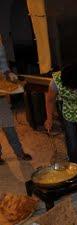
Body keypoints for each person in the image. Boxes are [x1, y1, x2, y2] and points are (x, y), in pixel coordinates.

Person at [45, 63, 77, 175]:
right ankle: (76, 164)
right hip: (66, 107)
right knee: (71, 138)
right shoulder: (55, 82)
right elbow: (50, 100)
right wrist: (49, 119)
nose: (74, 91)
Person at [0, 34, 32, 164]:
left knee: (8, 123)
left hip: (0, 88)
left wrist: (8, 72)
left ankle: (19, 153)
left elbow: (2, 61)